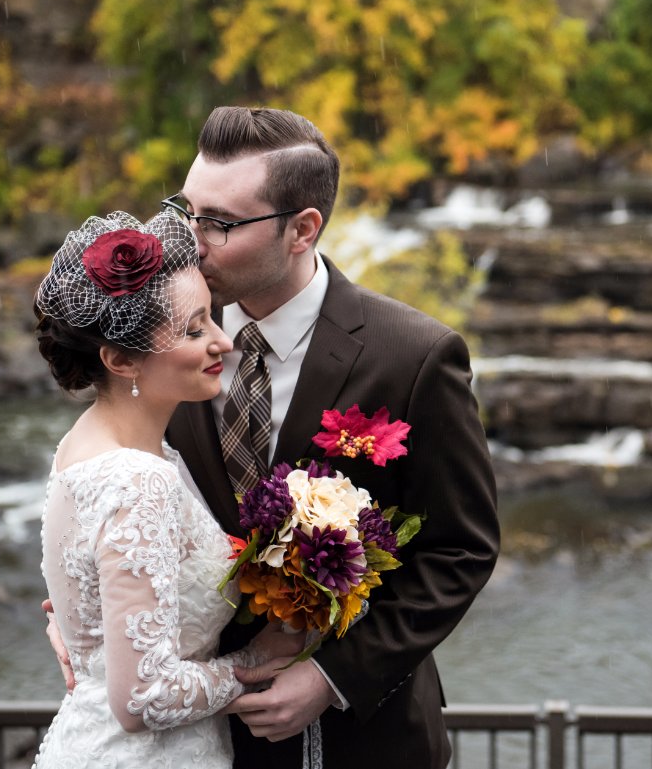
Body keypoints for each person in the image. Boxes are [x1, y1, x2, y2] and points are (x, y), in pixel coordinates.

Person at [161, 106, 501, 769]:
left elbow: (460, 549)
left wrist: (331, 676)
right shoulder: (161, 343)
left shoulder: (414, 357)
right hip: (199, 738)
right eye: (185, 211)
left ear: (302, 228)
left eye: (219, 223)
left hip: (364, 742)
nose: (192, 240)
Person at [32, 211, 304, 768]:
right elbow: (141, 697)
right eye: (194, 329)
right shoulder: (138, 478)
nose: (223, 343)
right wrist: (255, 660)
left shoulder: (92, 446)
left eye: (212, 318)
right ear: (121, 360)